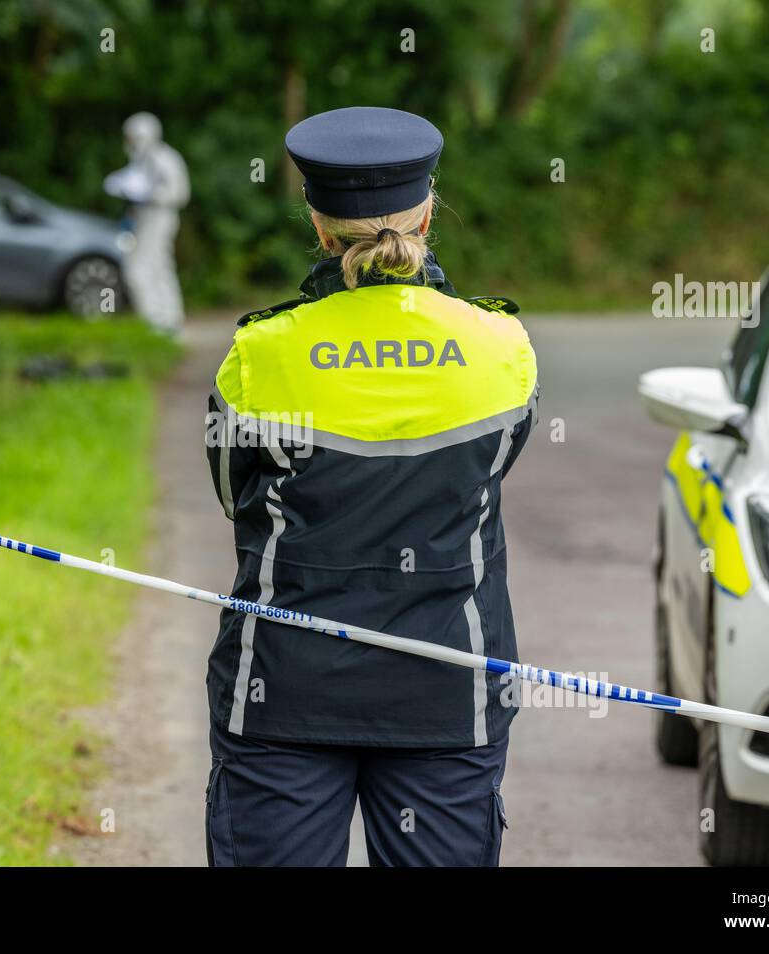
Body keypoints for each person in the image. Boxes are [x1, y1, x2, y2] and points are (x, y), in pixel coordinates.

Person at [204, 106, 539, 866]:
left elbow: (237, 499)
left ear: (319, 227)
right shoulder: (501, 346)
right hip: (449, 690)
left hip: (283, 687)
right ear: (427, 211)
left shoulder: (261, 352)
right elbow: (484, 479)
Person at [103, 112, 190, 334]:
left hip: (161, 218)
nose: (130, 144)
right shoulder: (141, 161)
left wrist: (149, 195)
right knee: (152, 267)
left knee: (146, 267)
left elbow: (180, 193)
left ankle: (161, 320)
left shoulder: (165, 158)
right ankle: (162, 319)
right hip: (143, 219)